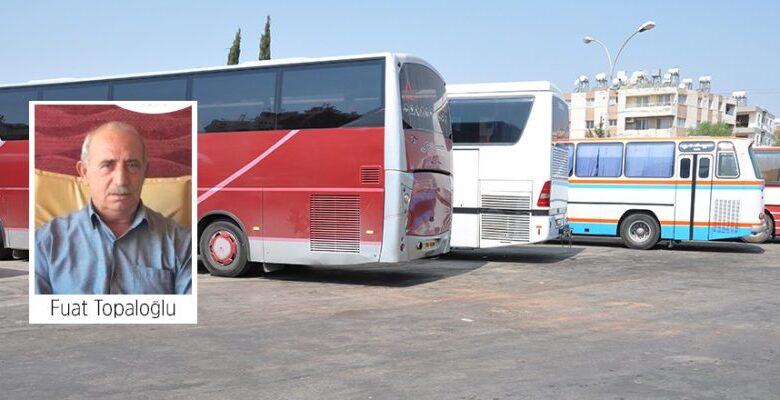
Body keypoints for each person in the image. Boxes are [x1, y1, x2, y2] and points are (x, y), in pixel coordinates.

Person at [35, 121, 191, 294]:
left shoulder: (181, 244)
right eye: (107, 165)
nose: (121, 180)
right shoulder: (46, 242)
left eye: (132, 165)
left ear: (145, 172)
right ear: (84, 173)